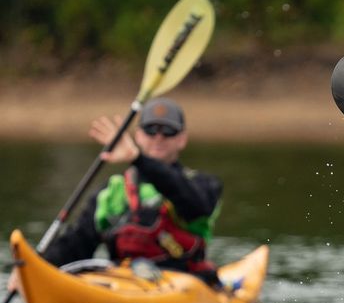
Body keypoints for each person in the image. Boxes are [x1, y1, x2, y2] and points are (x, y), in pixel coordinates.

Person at [19, 98, 223, 285]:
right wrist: (32, 272)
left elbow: (195, 205)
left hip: (185, 282)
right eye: (151, 130)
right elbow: (76, 244)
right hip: (124, 282)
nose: (158, 137)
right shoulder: (112, 191)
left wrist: (138, 159)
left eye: (168, 131)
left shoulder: (202, 184)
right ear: (139, 135)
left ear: (182, 139)